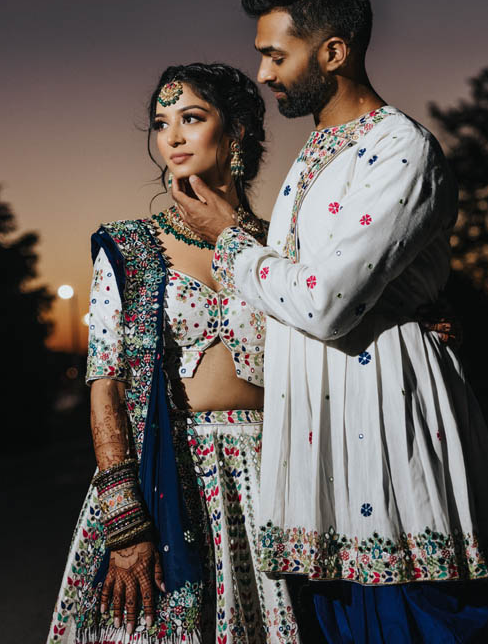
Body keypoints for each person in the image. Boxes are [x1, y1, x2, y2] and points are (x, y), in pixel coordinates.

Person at [173, 0, 488, 643]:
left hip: (386, 431)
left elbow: (325, 303)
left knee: (420, 623)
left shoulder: (401, 150)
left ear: (332, 52)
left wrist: (232, 246)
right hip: (316, 458)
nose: (264, 75)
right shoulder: (313, 155)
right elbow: (295, 297)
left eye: (274, 55)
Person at [48, 63, 302, 644]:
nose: (174, 137)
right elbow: (105, 383)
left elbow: (333, 318)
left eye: (192, 118)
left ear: (236, 131)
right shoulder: (131, 248)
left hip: (274, 475)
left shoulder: (281, 250)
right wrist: (125, 522)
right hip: (170, 473)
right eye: (162, 124)